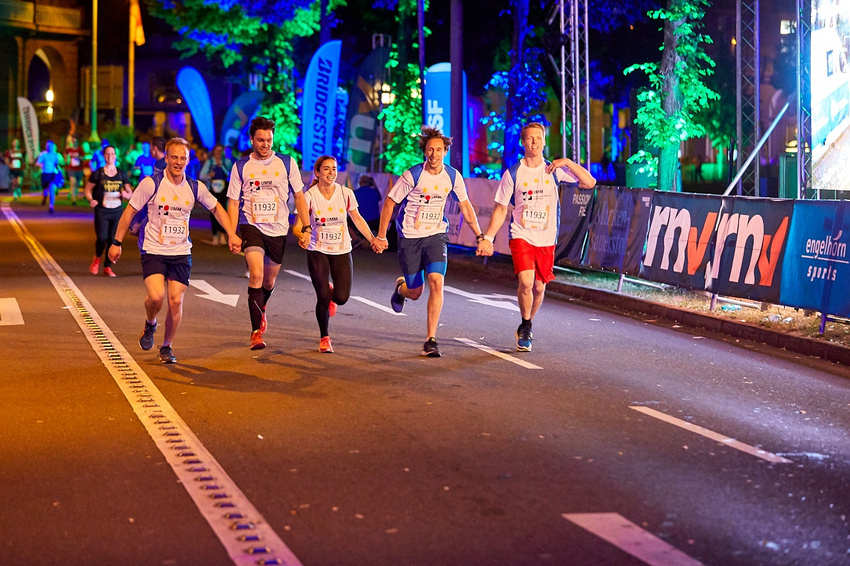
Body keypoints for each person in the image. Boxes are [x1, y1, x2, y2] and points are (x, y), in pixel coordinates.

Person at [107, 137, 241, 364]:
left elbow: (217, 207)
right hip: (154, 249)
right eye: (174, 157)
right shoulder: (151, 184)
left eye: (183, 158)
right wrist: (116, 242)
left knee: (176, 301)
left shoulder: (194, 186)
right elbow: (129, 212)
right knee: (156, 298)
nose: (178, 162)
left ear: (189, 160)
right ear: (166, 158)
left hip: (180, 251)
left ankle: (167, 346)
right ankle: (150, 323)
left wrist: (231, 233)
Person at [477, 121, 596, 352]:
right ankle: (526, 323)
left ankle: (527, 323)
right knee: (526, 282)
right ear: (523, 142)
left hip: (546, 237)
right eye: (530, 138)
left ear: (544, 141)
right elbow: (501, 209)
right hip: (521, 234)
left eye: (538, 138)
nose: (534, 142)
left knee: (540, 288)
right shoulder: (513, 173)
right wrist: (488, 238)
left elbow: (589, 182)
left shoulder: (554, 170)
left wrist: (568, 162)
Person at [373, 126, 484, 358]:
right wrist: (382, 235)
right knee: (416, 292)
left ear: (445, 151)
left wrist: (480, 235)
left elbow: (465, 206)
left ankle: (430, 339)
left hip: (436, 235)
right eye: (430, 149)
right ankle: (401, 290)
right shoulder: (413, 175)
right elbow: (390, 203)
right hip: (410, 237)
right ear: (424, 151)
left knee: (436, 281)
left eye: (439, 149)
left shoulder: (453, 176)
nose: (434, 154)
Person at [227, 116, 310, 350]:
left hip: (278, 229)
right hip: (250, 225)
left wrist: (306, 225)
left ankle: (261, 306)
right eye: (261, 140)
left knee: (269, 280)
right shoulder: (241, 166)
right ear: (252, 140)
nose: (265, 145)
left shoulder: (286, 163)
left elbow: (299, 196)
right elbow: (233, 202)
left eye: (269, 140)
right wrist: (232, 233)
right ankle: (255, 333)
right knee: (255, 274)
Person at [294, 156, 379, 353]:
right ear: (317, 173)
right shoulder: (309, 197)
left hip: (342, 249)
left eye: (334, 169)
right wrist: (303, 236)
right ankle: (324, 337)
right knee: (323, 296)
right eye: (326, 169)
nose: (331, 172)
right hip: (317, 249)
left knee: (340, 297)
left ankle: (332, 293)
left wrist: (372, 239)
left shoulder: (346, 193)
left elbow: (357, 219)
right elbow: (297, 227)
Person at [84, 145, 133, 277]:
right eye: (107, 154)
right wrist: (91, 200)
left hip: (116, 211)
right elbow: (87, 189)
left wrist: (126, 194)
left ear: (115, 156)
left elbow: (129, 192)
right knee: (102, 238)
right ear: (103, 156)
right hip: (102, 210)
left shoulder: (121, 174)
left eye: (112, 154)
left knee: (112, 239)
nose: (110, 156)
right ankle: (97, 258)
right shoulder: (98, 173)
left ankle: (107, 267)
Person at [200, 144, 233, 245]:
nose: (218, 153)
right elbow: (201, 176)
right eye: (216, 151)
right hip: (213, 190)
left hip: (224, 190)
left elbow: (232, 175)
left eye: (220, 151)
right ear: (213, 151)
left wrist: (223, 169)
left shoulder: (227, 162)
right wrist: (209, 175)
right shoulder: (209, 163)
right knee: (214, 212)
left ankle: (223, 234)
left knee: (224, 212)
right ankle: (215, 235)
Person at [36, 140, 64, 213]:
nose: (49, 147)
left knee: (52, 190)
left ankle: (51, 206)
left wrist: (59, 174)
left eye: (51, 146)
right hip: (45, 174)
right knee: (45, 190)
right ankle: (45, 197)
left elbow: (57, 164)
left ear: (53, 146)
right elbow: (38, 163)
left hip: (52, 174)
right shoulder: (43, 154)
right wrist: (42, 165)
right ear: (46, 146)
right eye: (48, 146)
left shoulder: (55, 155)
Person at [65, 137, 84, 205]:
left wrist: (77, 156)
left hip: (79, 169)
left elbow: (83, 158)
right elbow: (66, 156)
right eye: (73, 141)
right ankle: (74, 200)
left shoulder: (80, 149)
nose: (74, 143)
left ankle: (73, 194)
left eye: (75, 141)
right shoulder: (69, 149)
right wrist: (66, 160)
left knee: (77, 184)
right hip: (71, 168)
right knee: (73, 182)